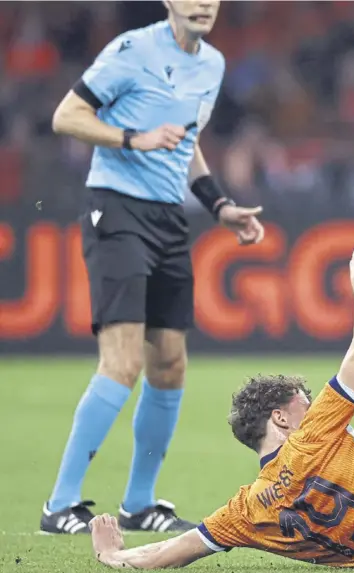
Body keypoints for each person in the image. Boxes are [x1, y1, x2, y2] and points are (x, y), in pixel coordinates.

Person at [40, 0, 264, 536]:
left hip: (168, 217)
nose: (204, 4)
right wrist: (131, 138)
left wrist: (219, 206)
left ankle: (139, 503)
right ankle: (59, 505)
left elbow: (187, 144)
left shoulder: (212, 64)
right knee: (121, 361)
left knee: (169, 364)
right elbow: (65, 116)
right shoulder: (132, 50)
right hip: (115, 206)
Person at [90, 241, 354, 569]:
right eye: (305, 404)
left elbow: (164, 555)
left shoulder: (247, 511)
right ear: (280, 418)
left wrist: (112, 555)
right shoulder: (313, 437)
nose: (316, 409)